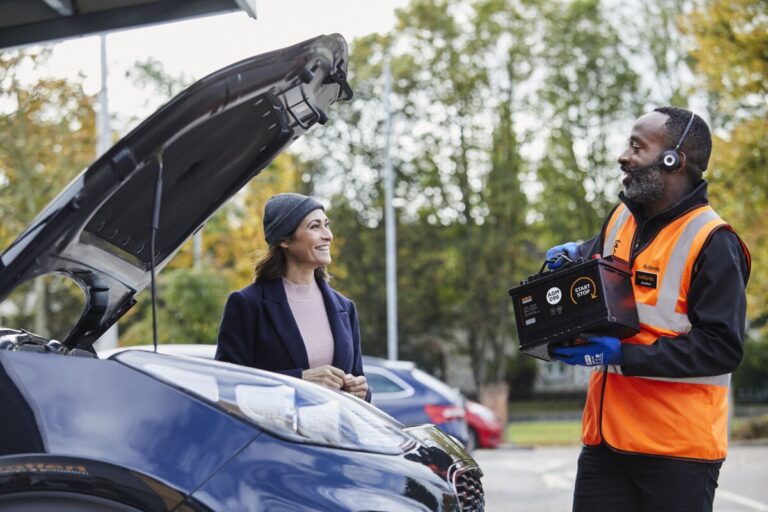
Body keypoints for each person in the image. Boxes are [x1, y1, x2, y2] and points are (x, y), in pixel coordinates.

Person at [546, 107, 750, 512]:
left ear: (674, 160)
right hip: (604, 446)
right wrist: (573, 262)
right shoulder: (620, 219)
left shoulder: (714, 241)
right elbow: (597, 273)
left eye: (637, 147)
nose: (624, 156)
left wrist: (625, 355)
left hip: (677, 453)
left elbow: (722, 348)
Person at [215, 193, 370, 402]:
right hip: (272, 434)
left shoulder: (345, 308)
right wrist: (298, 381)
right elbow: (226, 386)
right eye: (315, 227)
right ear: (285, 239)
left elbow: (357, 384)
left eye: (327, 225)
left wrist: (362, 391)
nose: (328, 235)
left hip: (331, 433)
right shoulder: (247, 304)